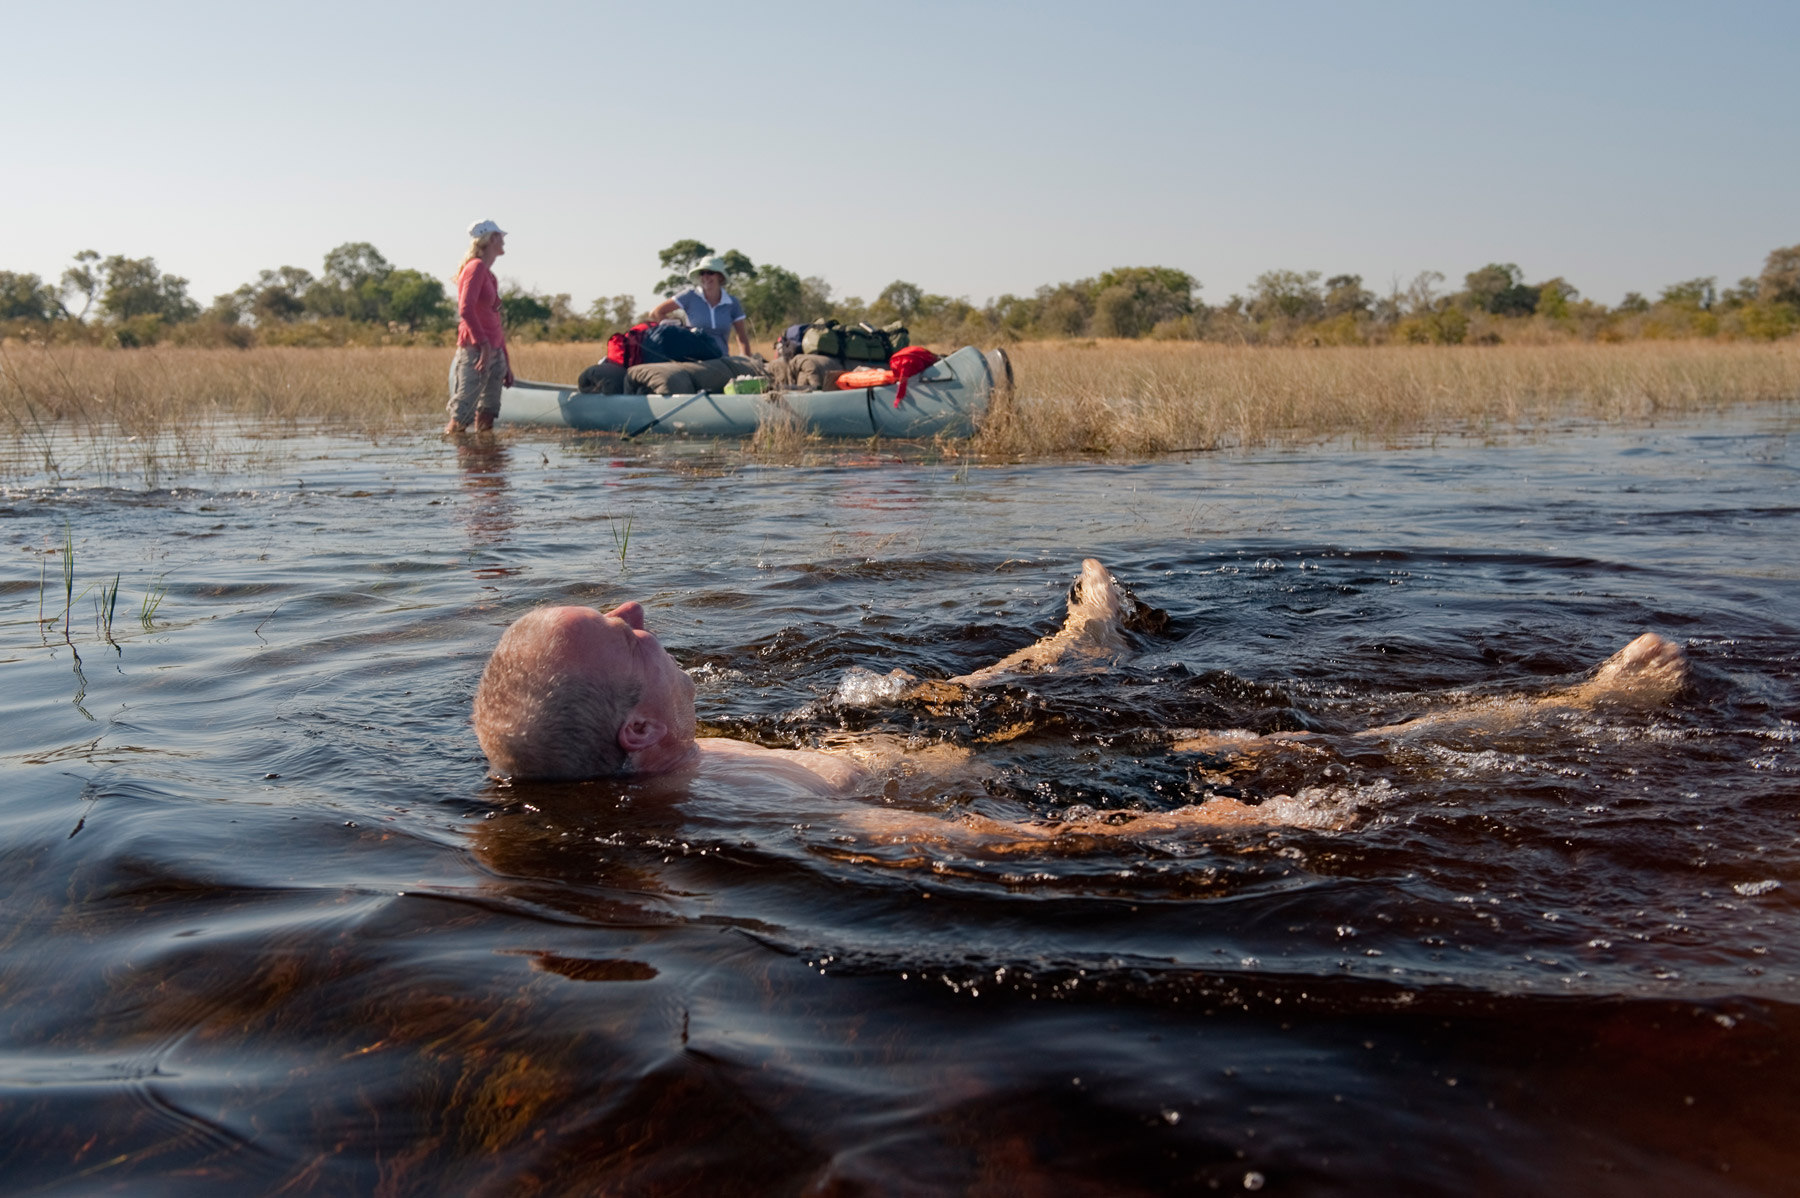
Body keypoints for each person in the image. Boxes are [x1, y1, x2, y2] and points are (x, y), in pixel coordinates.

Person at [471, 561, 1690, 809]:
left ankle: (1075, 636)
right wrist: (1241, 824)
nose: (639, 612)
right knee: (1265, 750)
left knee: (930, 692)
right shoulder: (756, 808)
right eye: (621, 633)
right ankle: (1583, 709)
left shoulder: (674, 757)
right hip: (986, 791)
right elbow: (982, 852)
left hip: (897, 744)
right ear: (641, 733)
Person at [446, 220, 513, 435]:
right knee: (461, 418)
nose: (503, 241)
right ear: (491, 239)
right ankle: (464, 465)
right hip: (476, 351)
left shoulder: (489, 275)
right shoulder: (475, 267)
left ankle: (486, 463)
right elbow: (465, 309)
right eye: (500, 236)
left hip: (494, 352)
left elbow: (494, 320)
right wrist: (483, 346)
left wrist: (505, 361)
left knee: (488, 415)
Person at [647, 255, 754, 359]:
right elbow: (656, 312)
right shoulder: (689, 296)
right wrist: (678, 331)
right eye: (702, 273)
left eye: (710, 273)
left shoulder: (732, 302)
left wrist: (748, 361)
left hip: (723, 359)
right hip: (695, 360)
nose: (705, 277)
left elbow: (742, 336)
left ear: (720, 276)